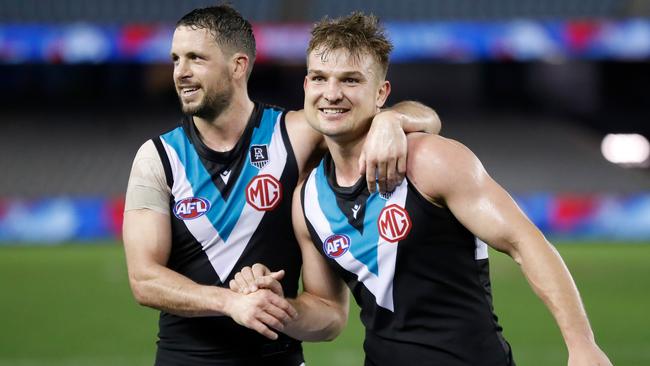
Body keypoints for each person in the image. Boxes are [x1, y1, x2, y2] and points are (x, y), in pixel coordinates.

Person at [230, 12, 613, 366]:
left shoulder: (429, 161)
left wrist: (581, 343)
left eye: (350, 80)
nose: (331, 93)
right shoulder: (307, 199)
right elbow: (328, 312)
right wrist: (281, 309)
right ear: (306, 85)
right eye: (319, 78)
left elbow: (524, 242)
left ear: (381, 94)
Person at [122, 5, 440, 366]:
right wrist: (230, 302)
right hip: (186, 359)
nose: (181, 72)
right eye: (176, 59)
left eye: (196, 58)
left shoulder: (294, 134)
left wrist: (392, 119)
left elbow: (428, 118)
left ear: (238, 66)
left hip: (279, 356)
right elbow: (143, 279)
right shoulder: (158, 158)